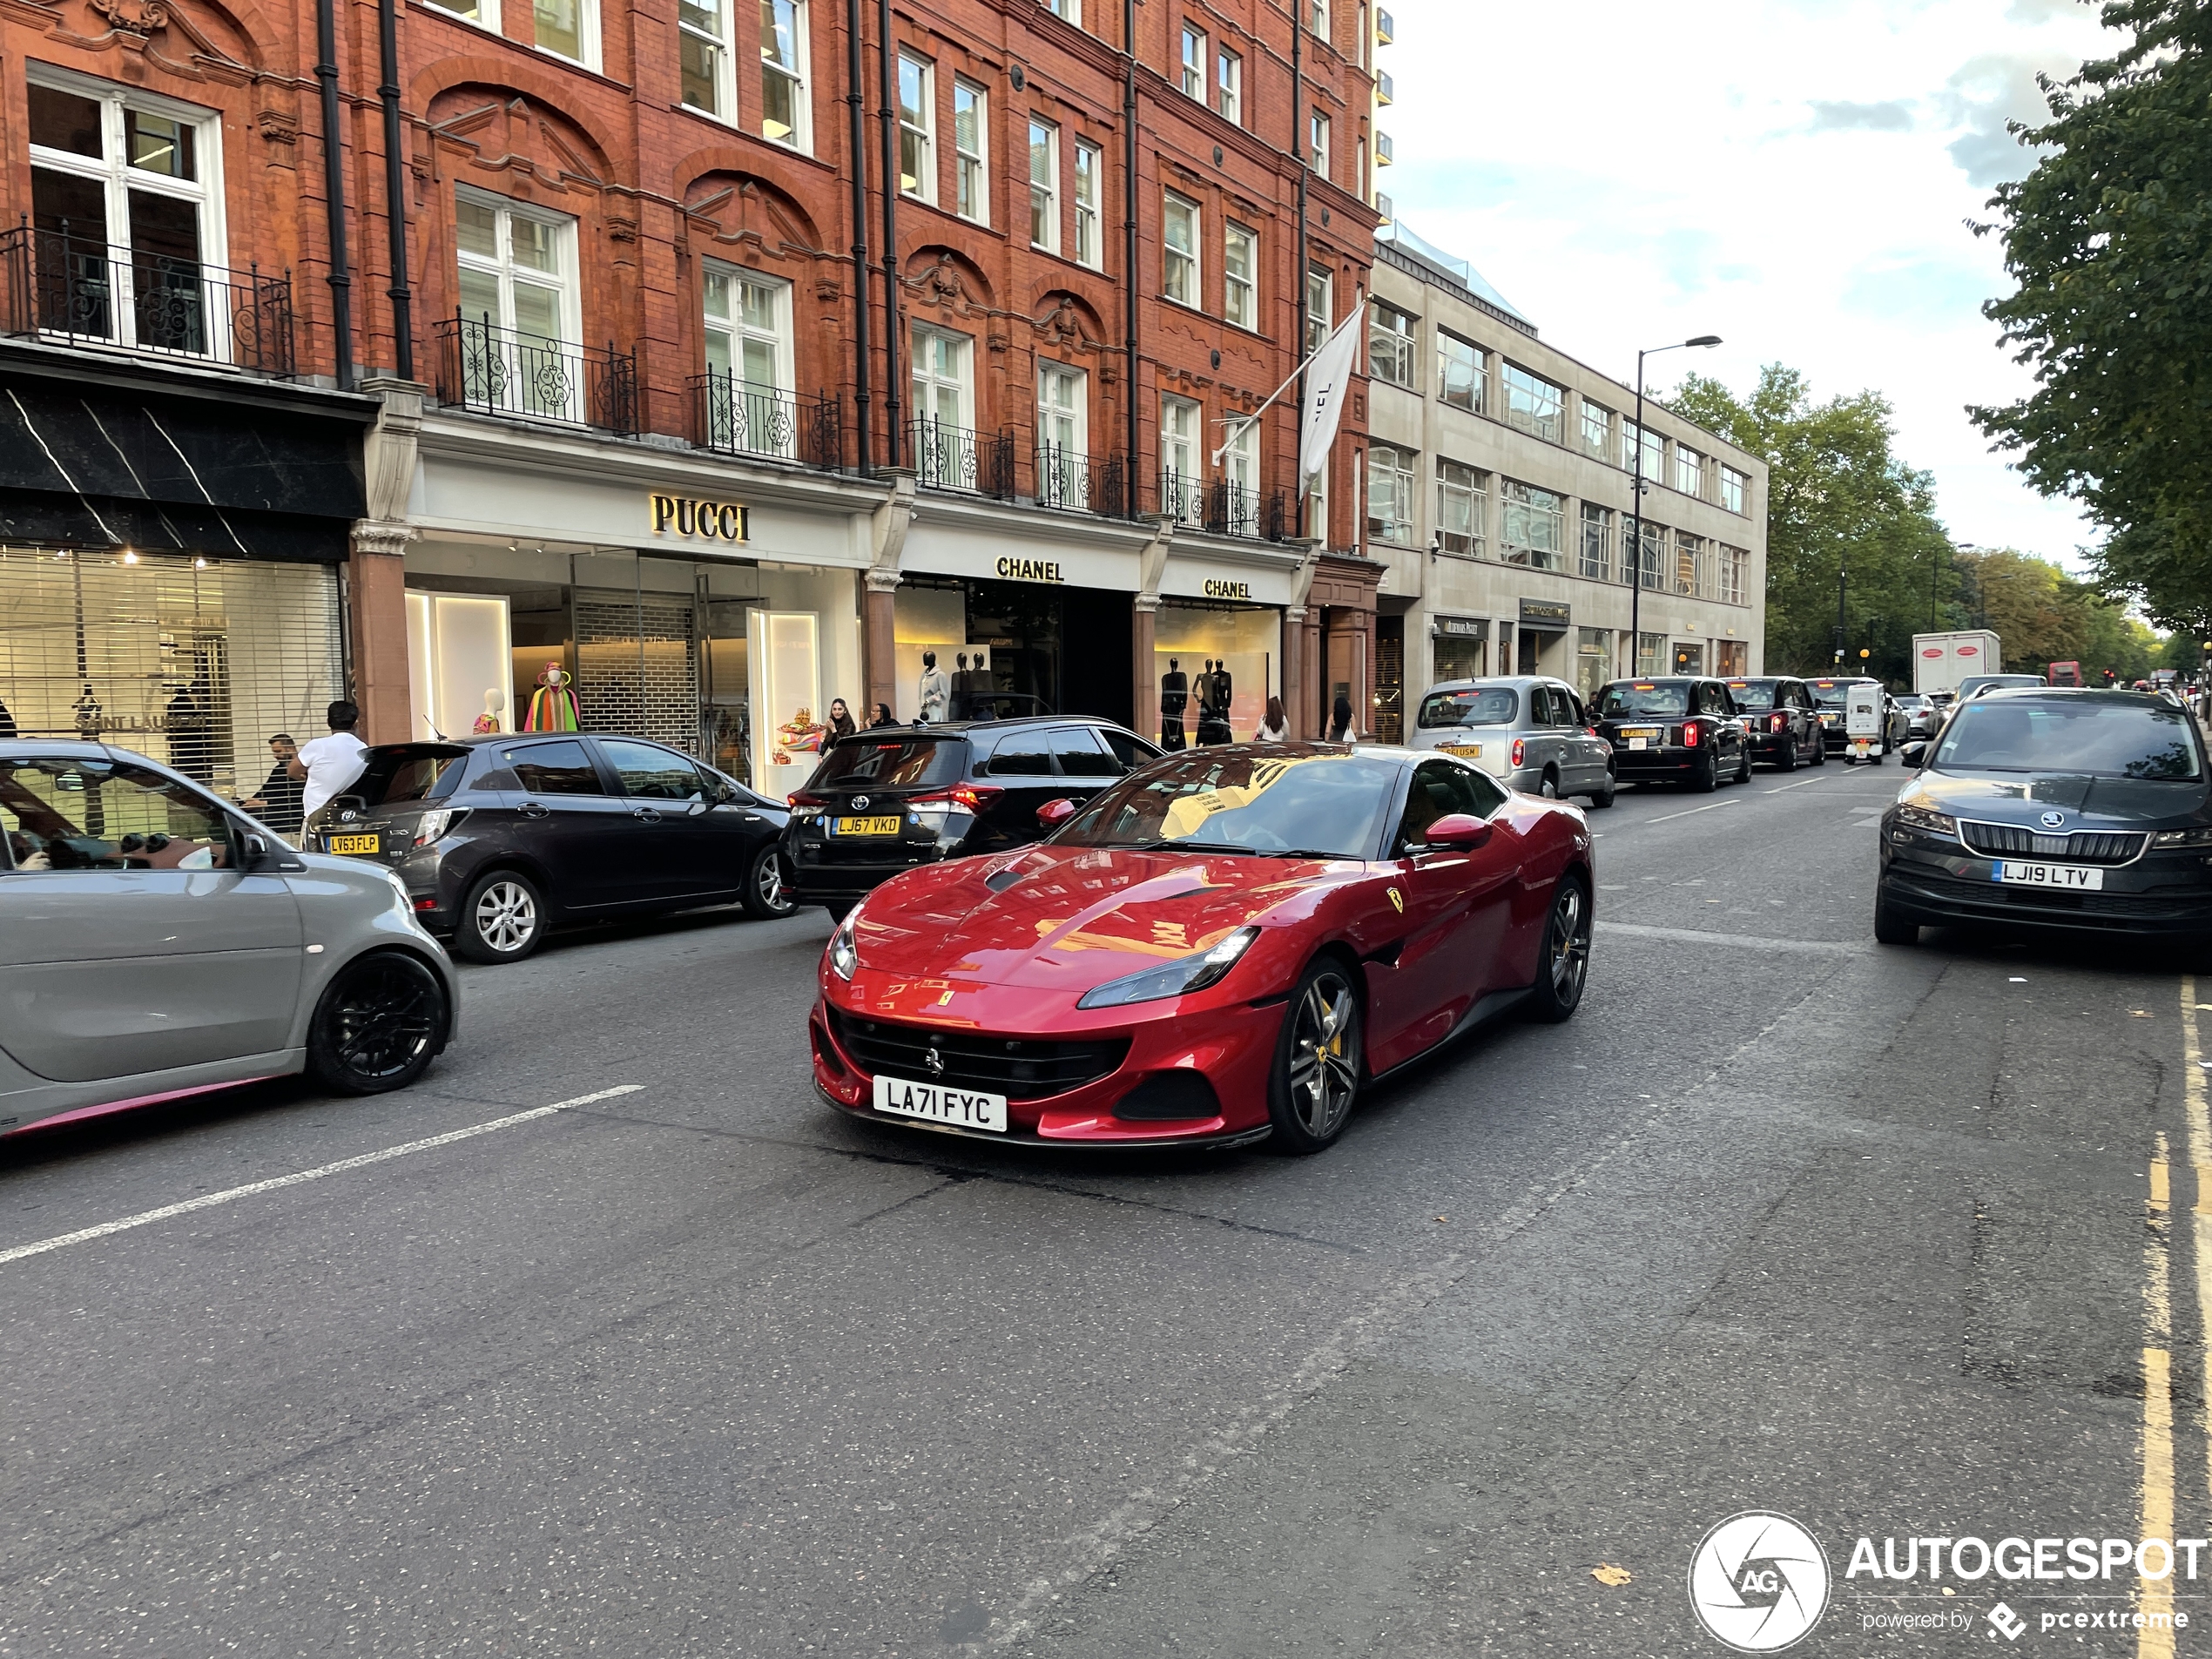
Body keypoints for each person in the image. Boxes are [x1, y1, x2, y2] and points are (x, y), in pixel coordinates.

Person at [290, 700, 369, 822]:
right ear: (356, 724)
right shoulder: (363, 749)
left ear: (328, 722)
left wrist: (303, 777)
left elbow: (292, 771)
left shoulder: (317, 746)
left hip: (317, 815)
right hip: (350, 814)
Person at [239, 733, 307, 834]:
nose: (275, 756)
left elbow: (296, 801)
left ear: (290, 749)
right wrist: (249, 802)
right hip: (274, 813)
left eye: (278, 752)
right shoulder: (278, 770)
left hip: (290, 817)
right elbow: (265, 791)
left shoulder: (303, 770)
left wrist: (262, 803)